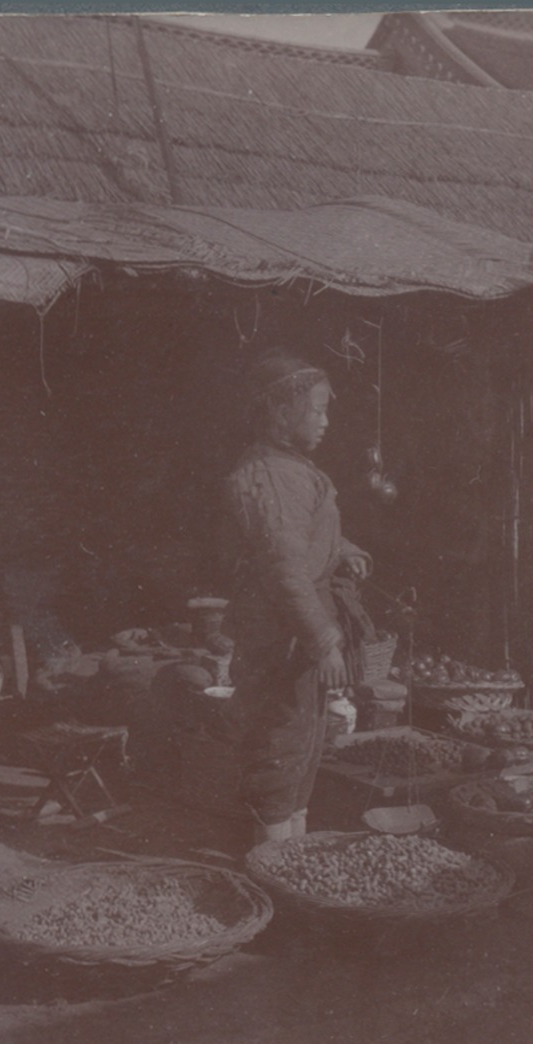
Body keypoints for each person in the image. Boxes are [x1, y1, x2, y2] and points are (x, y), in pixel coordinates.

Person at [219, 350, 371, 845]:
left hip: (295, 629)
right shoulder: (276, 476)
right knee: (282, 742)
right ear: (282, 414)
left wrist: (342, 548)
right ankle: (272, 865)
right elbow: (284, 570)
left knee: (303, 741)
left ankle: (292, 855)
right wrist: (323, 641)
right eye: (317, 410)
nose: (326, 422)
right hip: (285, 633)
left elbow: (299, 539)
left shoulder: (289, 469)